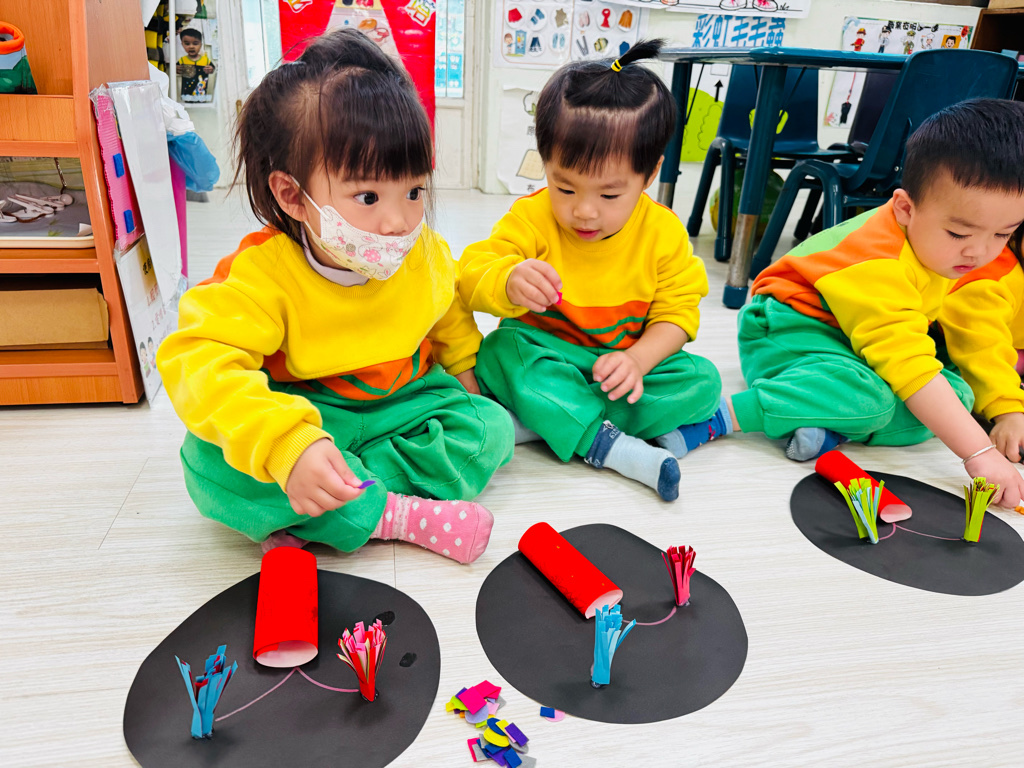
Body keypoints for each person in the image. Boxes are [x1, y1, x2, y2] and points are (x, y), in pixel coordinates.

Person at [157, 29, 513, 562]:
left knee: (491, 429)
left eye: (414, 191)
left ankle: (335, 504)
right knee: (205, 465)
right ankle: (391, 512)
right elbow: (197, 359)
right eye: (368, 196)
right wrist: (287, 445)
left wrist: (465, 376)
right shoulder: (261, 274)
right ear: (292, 196)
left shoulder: (424, 251)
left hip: (405, 402)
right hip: (313, 411)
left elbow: (446, 310)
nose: (398, 222)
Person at [459, 40, 729, 503]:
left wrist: (638, 361)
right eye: (564, 187)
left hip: (620, 367)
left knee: (703, 381)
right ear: (545, 162)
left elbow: (678, 315)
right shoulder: (532, 218)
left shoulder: (663, 233)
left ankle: (549, 419)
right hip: (549, 355)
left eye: (609, 195)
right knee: (501, 352)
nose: (584, 211)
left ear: (649, 175)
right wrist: (508, 279)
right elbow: (468, 275)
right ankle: (609, 445)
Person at [729, 99, 1024, 506]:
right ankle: (726, 415)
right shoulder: (879, 263)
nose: (980, 252)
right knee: (877, 399)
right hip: (789, 325)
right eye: (959, 234)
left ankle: (830, 421)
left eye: (1003, 234)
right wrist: (980, 453)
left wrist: (1000, 410)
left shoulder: (948, 249)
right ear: (904, 208)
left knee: (958, 396)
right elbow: (909, 365)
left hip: (857, 340)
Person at [937, 103, 1024, 464]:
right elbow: (979, 340)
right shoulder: (990, 269)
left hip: (1007, 351)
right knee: (948, 396)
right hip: (951, 353)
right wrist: (1008, 411)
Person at [176, 28, 214, 99]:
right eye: (187, 44)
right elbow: (174, 70)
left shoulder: (205, 60)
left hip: (201, 94)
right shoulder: (182, 60)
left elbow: (213, 69)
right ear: (182, 44)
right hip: (186, 95)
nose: (191, 47)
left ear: (201, 44)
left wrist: (211, 69)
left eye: (195, 43)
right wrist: (176, 69)